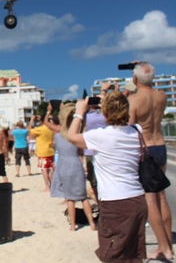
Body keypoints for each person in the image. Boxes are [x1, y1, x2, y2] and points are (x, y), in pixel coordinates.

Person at [67, 92, 147, 262]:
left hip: (115, 202)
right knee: (133, 253)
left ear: (105, 112)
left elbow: (71, 136)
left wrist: (79, 112)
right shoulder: (137, 130)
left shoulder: (101, 136)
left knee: (113, 254)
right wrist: (115, 101)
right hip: (138, 199)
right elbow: (128, 120)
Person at [127, 62, 172, 260]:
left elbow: (129, 128)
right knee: (161, 196)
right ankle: (168, 241)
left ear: (135, 79)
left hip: (145, 148)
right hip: (160, 144)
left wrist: (129, 88)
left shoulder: (134, 100)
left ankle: (164, 247)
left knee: (150, 199)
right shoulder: (162, 96)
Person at [50, 104, 96, 231]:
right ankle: (92, 223)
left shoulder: (58, 136)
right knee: (83, 197)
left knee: (70, 198)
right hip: (76, 163)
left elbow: (55, 148)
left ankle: (72, 225)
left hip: (63, 165)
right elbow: (81, 152)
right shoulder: (77, 135)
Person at [83, 98, 107, 202]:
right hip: (105, 149)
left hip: (90, 150)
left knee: (93, 181)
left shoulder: (86, 117)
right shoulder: (105, 116)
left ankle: (100, 204)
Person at [28, 109, 56, 192]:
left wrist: (31, 121)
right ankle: (52, 185)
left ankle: (47, 186)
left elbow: (29, 130)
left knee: (44, 169)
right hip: (50, 150)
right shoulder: (51, 128)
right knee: (51, 169)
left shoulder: (41, 129)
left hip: (43, 152)